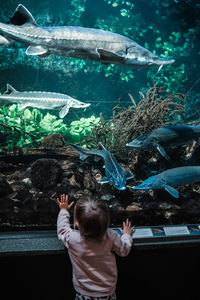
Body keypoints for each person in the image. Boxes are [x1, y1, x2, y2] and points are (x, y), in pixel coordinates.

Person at [57, 194, 134, 300]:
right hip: (107, 292)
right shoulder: (110, 236)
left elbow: (62, 229)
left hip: (83, 293)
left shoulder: (72, 238)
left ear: (77, 222)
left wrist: (63, 211)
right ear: (106, 221)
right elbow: (124, 250)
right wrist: (126, 235)